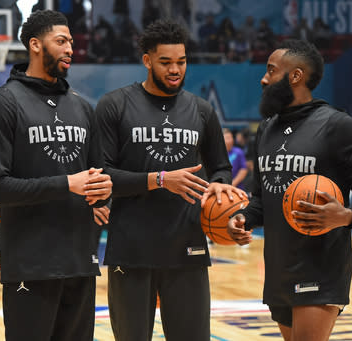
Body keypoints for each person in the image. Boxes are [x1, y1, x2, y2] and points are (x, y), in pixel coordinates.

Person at [95, 19, 243, 341]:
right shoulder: (114, 105)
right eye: (166, 62)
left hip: (186, 246)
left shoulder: (201, 110)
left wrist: (219, 184)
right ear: (147, 61)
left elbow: (221, 167)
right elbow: (103, 175)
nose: (175, 69)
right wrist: (159, 179)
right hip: (131, 249)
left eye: (182, 61)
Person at [227, 39, 352, 341]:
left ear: (295, 76)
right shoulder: (267, 129)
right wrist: (244, 218)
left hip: (321, 266)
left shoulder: (338, 125)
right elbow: (262, 197)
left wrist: (347, 215)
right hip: (277, 266)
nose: (263, 79)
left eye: (271, 71)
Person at [0, 10, 112, 341]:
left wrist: (104, 191)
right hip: (30, 264)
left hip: (81, 261)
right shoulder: (4, 103)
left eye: (72, 41)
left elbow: (97, 176)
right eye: (62, 41)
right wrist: (68, 184)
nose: (70, 48)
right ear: (35, 45)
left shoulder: (82, 107)